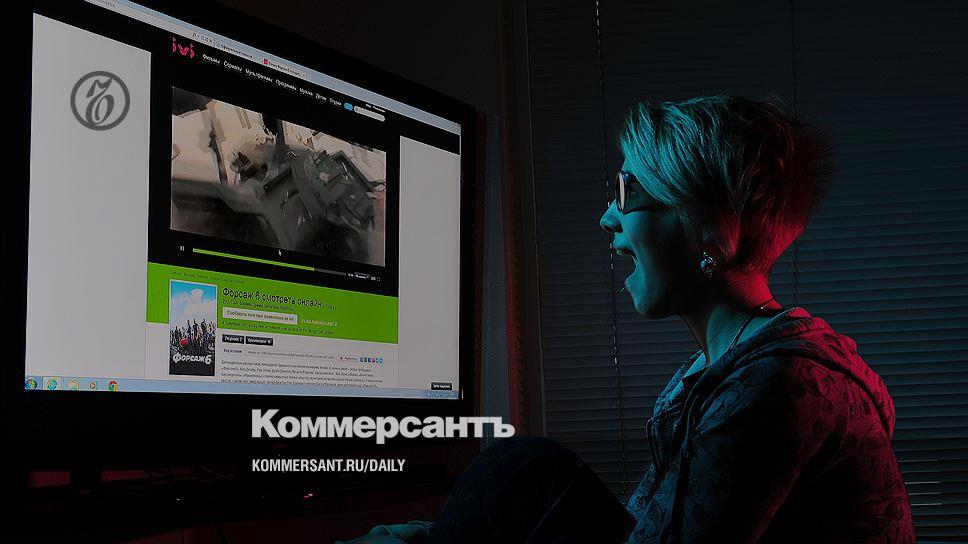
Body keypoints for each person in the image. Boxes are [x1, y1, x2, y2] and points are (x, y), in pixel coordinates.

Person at [339, 96, 915, 543]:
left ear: (706, 226)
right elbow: (647, 525)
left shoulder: (774, 388)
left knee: (524, 466)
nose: (606, 218)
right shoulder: (720, 370)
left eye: (627, 192)